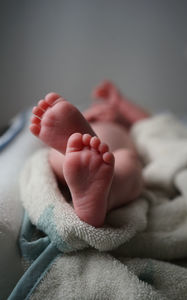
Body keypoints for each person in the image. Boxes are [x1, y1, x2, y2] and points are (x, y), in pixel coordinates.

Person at [29, 80, 150, 227]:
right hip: (74, 153)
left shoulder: (127, 125)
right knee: (63, 152)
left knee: (128, 161)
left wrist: (120, 103)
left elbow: (149, 122)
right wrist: (87, 118)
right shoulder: (90, 120)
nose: (101, 109)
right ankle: (76, 144)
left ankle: (104, 193)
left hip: (114, 160)